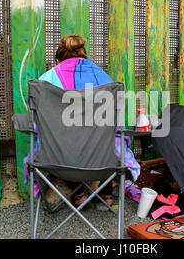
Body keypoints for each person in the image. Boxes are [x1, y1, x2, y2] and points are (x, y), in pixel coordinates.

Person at [23, 34, 140, 209]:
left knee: (60, 139)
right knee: (109, 138)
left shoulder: (45, 81)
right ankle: (105, 192)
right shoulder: (104, 78)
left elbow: (39, 125)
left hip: (57, 159)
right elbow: (116, 124)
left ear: (57, 60)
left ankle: (78, 195)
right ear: (85, 57)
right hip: (103, 159)